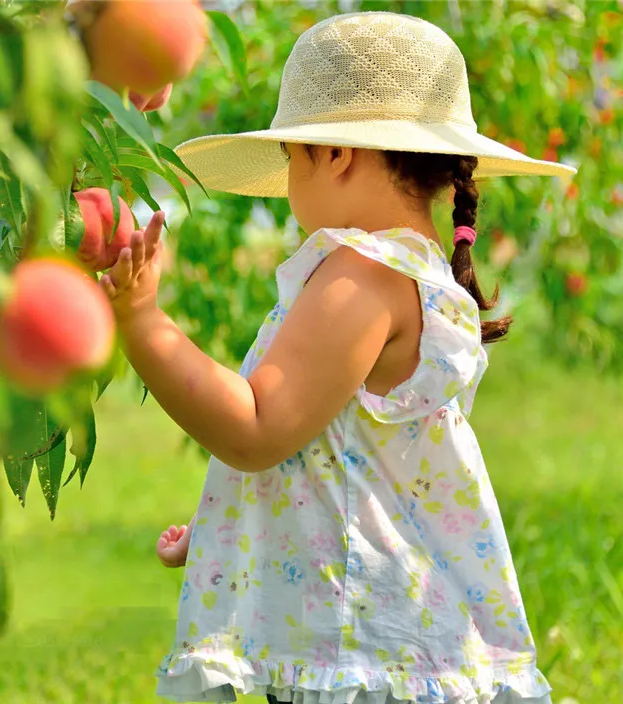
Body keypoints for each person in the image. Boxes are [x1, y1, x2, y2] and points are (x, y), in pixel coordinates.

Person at [99, 11, 575, 704]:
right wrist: (232, 523)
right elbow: (338, 446)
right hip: (388, 638)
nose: (290, 182)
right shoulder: (411, 273)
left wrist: (140, 321)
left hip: (357, 645)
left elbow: (258, 426)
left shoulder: (360, 276)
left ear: (336, 154)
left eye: (291, 157)